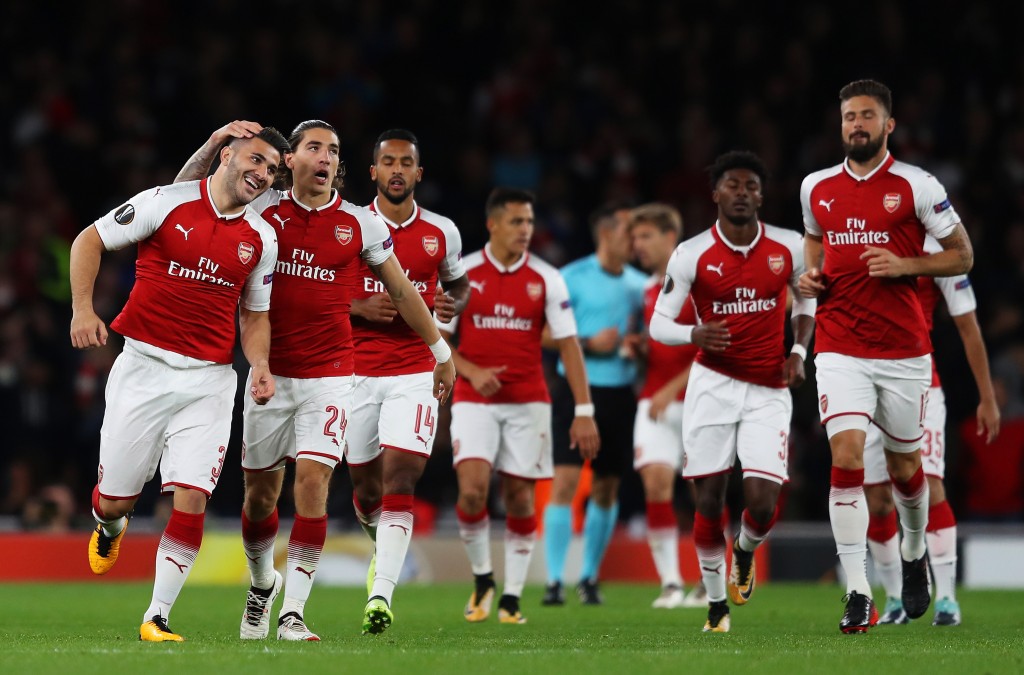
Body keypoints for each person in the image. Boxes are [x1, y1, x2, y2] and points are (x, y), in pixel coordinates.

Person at [176, 120, 455, 640]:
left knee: (313, 484)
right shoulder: (262, 209)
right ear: (290, 160)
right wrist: (213, 144)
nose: (325, 157)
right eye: (314, 147)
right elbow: (185, 200)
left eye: (333, 150)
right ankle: (263, 584)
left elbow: (402, 291)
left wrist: (440, 350)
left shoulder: (360, 225)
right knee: (260, 499)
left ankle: (294, 613)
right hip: (269, 375)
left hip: (331, 376)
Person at [70, 126, 290, 642]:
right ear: (227, 155)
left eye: (272, 169)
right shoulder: (165, 202)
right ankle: (110, 525)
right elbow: (89, 240)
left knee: (192, 495)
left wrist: (260, 363)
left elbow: (255, 315)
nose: (263, 174)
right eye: (256, 160)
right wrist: (82, 309)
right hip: (143, 369)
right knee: (114, 502)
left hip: (209, 381)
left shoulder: (262, 238)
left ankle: (157, 616)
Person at [798, 79, 974, 634]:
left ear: (888, 124)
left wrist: (906, 266)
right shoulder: (815, 187)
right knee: (846, 456)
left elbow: (963, 255)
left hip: (902, 351)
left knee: (905, 469)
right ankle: (858, 592)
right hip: (839, 346)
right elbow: (813, 239)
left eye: (867, 116)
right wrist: (811, 274)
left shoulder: (917, 186)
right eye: (849, 116)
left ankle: (915, 549)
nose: (857, 124)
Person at [650, 150, 815, 633]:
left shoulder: (789, 247)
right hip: (712, 386)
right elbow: (659, 323)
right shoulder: (691, 253)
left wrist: (799, 351)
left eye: (751, 187)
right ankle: (716, 606)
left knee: (762, 504)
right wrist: (694, 333)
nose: (742, 193)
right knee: (708, 500)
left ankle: (744, 549)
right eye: (733, 185)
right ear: (715, 193)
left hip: (768, 387)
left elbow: (806, 301)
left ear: (762, 197)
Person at [438, 187, 600, 625]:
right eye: (516, 221)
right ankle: (482, 578)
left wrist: (584, 411)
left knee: (520, 498)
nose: (525, 229)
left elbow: (569, 345)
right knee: (472, 490)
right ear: (493, 224)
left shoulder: (547, 278)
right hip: (476, 399)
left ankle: (511, 597)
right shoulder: (463, 274)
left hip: (529, 401)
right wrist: (472, 372)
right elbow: (439, 339)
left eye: (529, 221)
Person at [345, 129, 470, 633]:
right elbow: (315, 289)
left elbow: (458, 285)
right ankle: (382, 543)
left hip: (415, 369)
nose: (397, 170)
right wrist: (356, 306)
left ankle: (381, 595)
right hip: (354, 371)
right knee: (365, 489)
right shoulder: (350, 225)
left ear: (419, 173)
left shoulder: (442, 232)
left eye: (406, 163)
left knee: (401, 479)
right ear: (373, 171)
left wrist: (449, 308)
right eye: (388, 162)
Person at [864, 239, 999, 627]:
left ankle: (947, 599)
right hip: (864, 383)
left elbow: (968, 327)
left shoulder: (940, 252)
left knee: (931, 485)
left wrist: (987, 396)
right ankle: (895, 599)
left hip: (920, 386)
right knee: (877, 499)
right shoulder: (864, 237)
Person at [541, 204, 646, 607]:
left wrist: (638, 346)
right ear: (605, 234)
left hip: (619, 393)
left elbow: (649, 335)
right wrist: (587, 343)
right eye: (627, 233)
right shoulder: (571, 277)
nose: (633, 241)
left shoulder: (639, 285)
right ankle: (554, 580)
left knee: (606, 487)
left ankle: (589, 576)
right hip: (575, 391)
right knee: (566, 483)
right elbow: (544, 333)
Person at [628, 203, 704, 609]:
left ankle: (708, 581)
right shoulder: (646, 289)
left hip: (698, 402)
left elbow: (712, 347)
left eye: (645, 236)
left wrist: (673, 387)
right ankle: (671, 583)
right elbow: (662, 345)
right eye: (635, 237)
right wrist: (640, 350)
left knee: (704, 493)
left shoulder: (697, 283)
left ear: (669, 237)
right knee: (655, 485)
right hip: (654, 402)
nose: (637, 245)